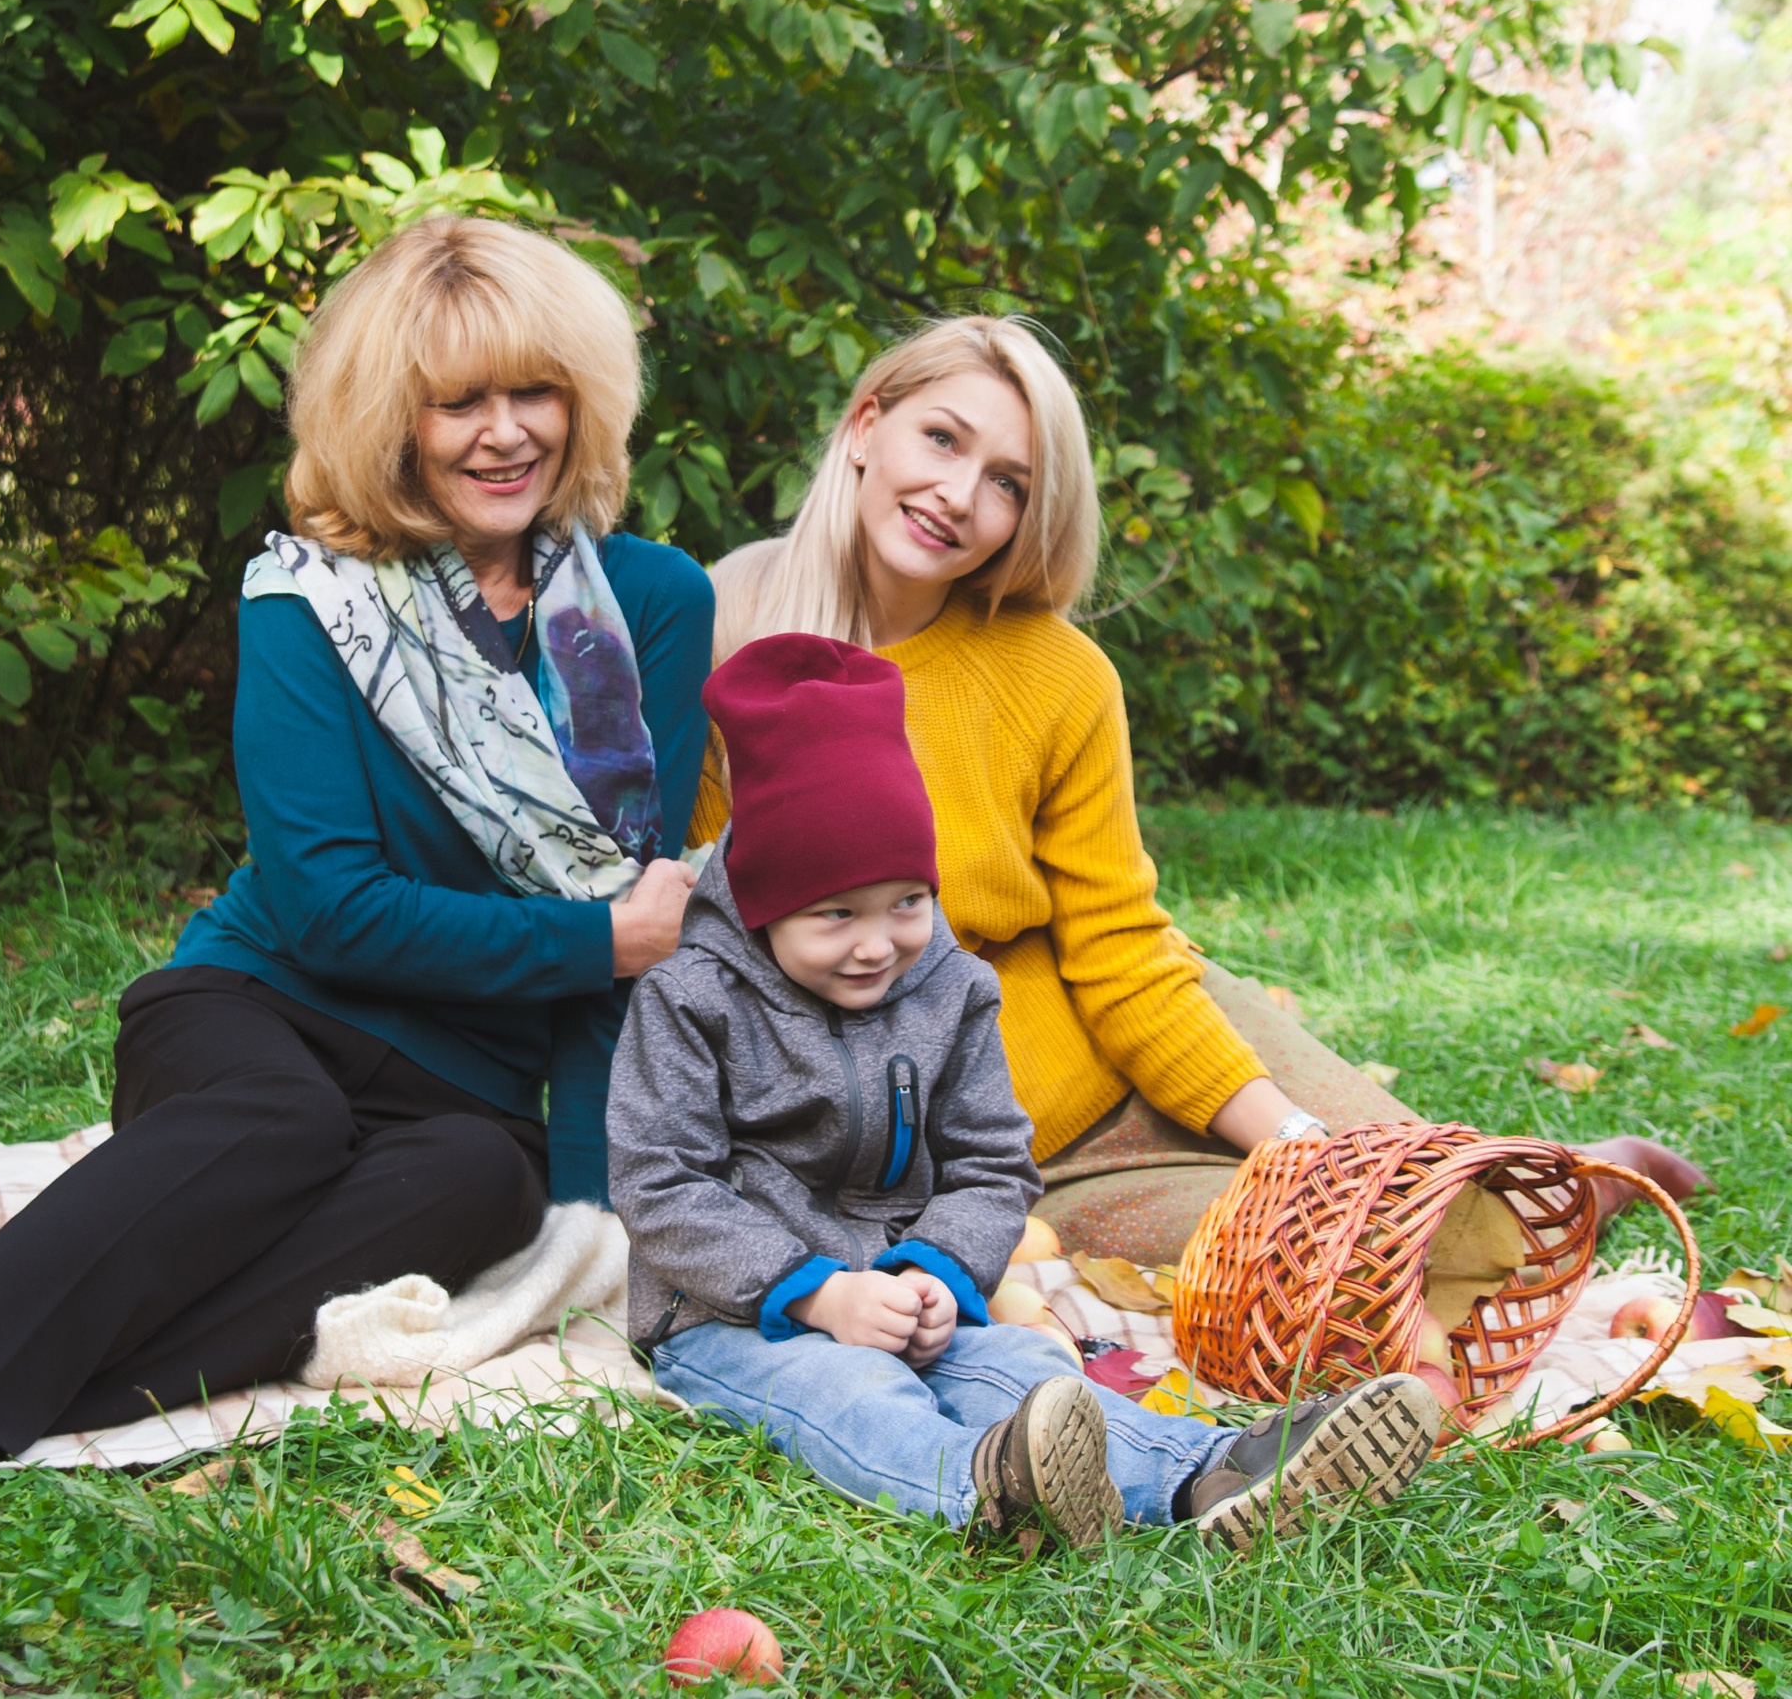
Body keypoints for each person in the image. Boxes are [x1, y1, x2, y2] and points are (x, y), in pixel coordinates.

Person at [0, 215, 714, 1520]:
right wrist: (597, 941)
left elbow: (625, 933)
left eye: (535, 393)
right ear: (394, 421)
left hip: (463, 1092)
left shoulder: (650, 607)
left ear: (588, 403)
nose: (503, 432)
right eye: (458, 401)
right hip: (264, 1008)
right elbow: (334, 911)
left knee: (486, 1185)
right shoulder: (316, 600)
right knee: (280, 1124)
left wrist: (593, 1214)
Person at [696, 317, 1707, 1266]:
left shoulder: (1056, 673)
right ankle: (1515, 1197)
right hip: (999, 1160)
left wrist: (1296, 1148)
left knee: (1413, 1215)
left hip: (1149, 1021)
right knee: (1346, 1271)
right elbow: (714, 966)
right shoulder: (724, 642)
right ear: (867, 424)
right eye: (942, 440)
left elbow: (1119, 948)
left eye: (1006, 481)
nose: (960, 495)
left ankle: (1558, 1184)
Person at [611, 632, 1446, 1551]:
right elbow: (663, 1184)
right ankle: (990, 1494)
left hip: (897, 1284)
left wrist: (932, 1271)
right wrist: (814, 1295)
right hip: (732, 1314)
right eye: (834, 915)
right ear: (765, 907)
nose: (876, 943)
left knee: (1016, 1367)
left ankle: (1210, 1478)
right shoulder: (691, 999)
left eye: (905, 902)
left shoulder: (950, 988)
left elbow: (992, 1163)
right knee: (848, 1391)